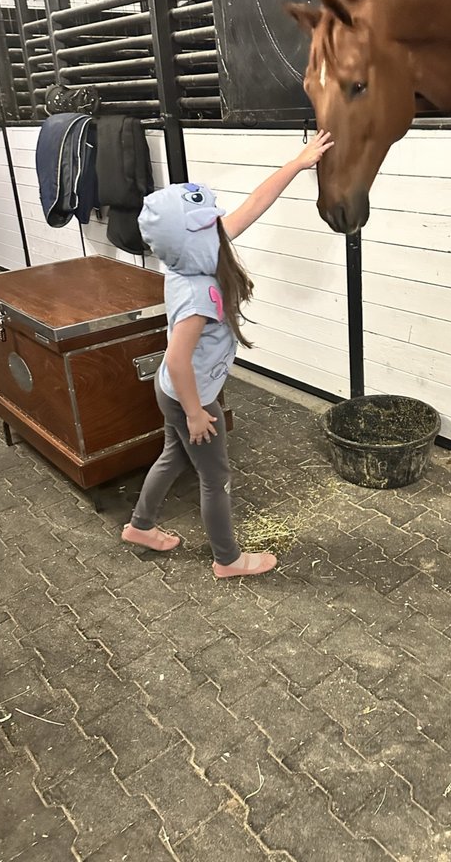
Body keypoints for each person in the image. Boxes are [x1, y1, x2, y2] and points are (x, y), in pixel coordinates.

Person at [121, 130, 334, 578]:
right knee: (216, 479)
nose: (221, 226)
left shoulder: (194, 254)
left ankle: (140, 526)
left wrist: (299, 163)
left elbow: (254, 204)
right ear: (189, 238)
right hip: (188, 395)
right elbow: (178, 359)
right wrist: (198, 413)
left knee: (172, 456)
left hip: (177, 392)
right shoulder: (198, 290)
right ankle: (227, 559)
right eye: (207, 224)